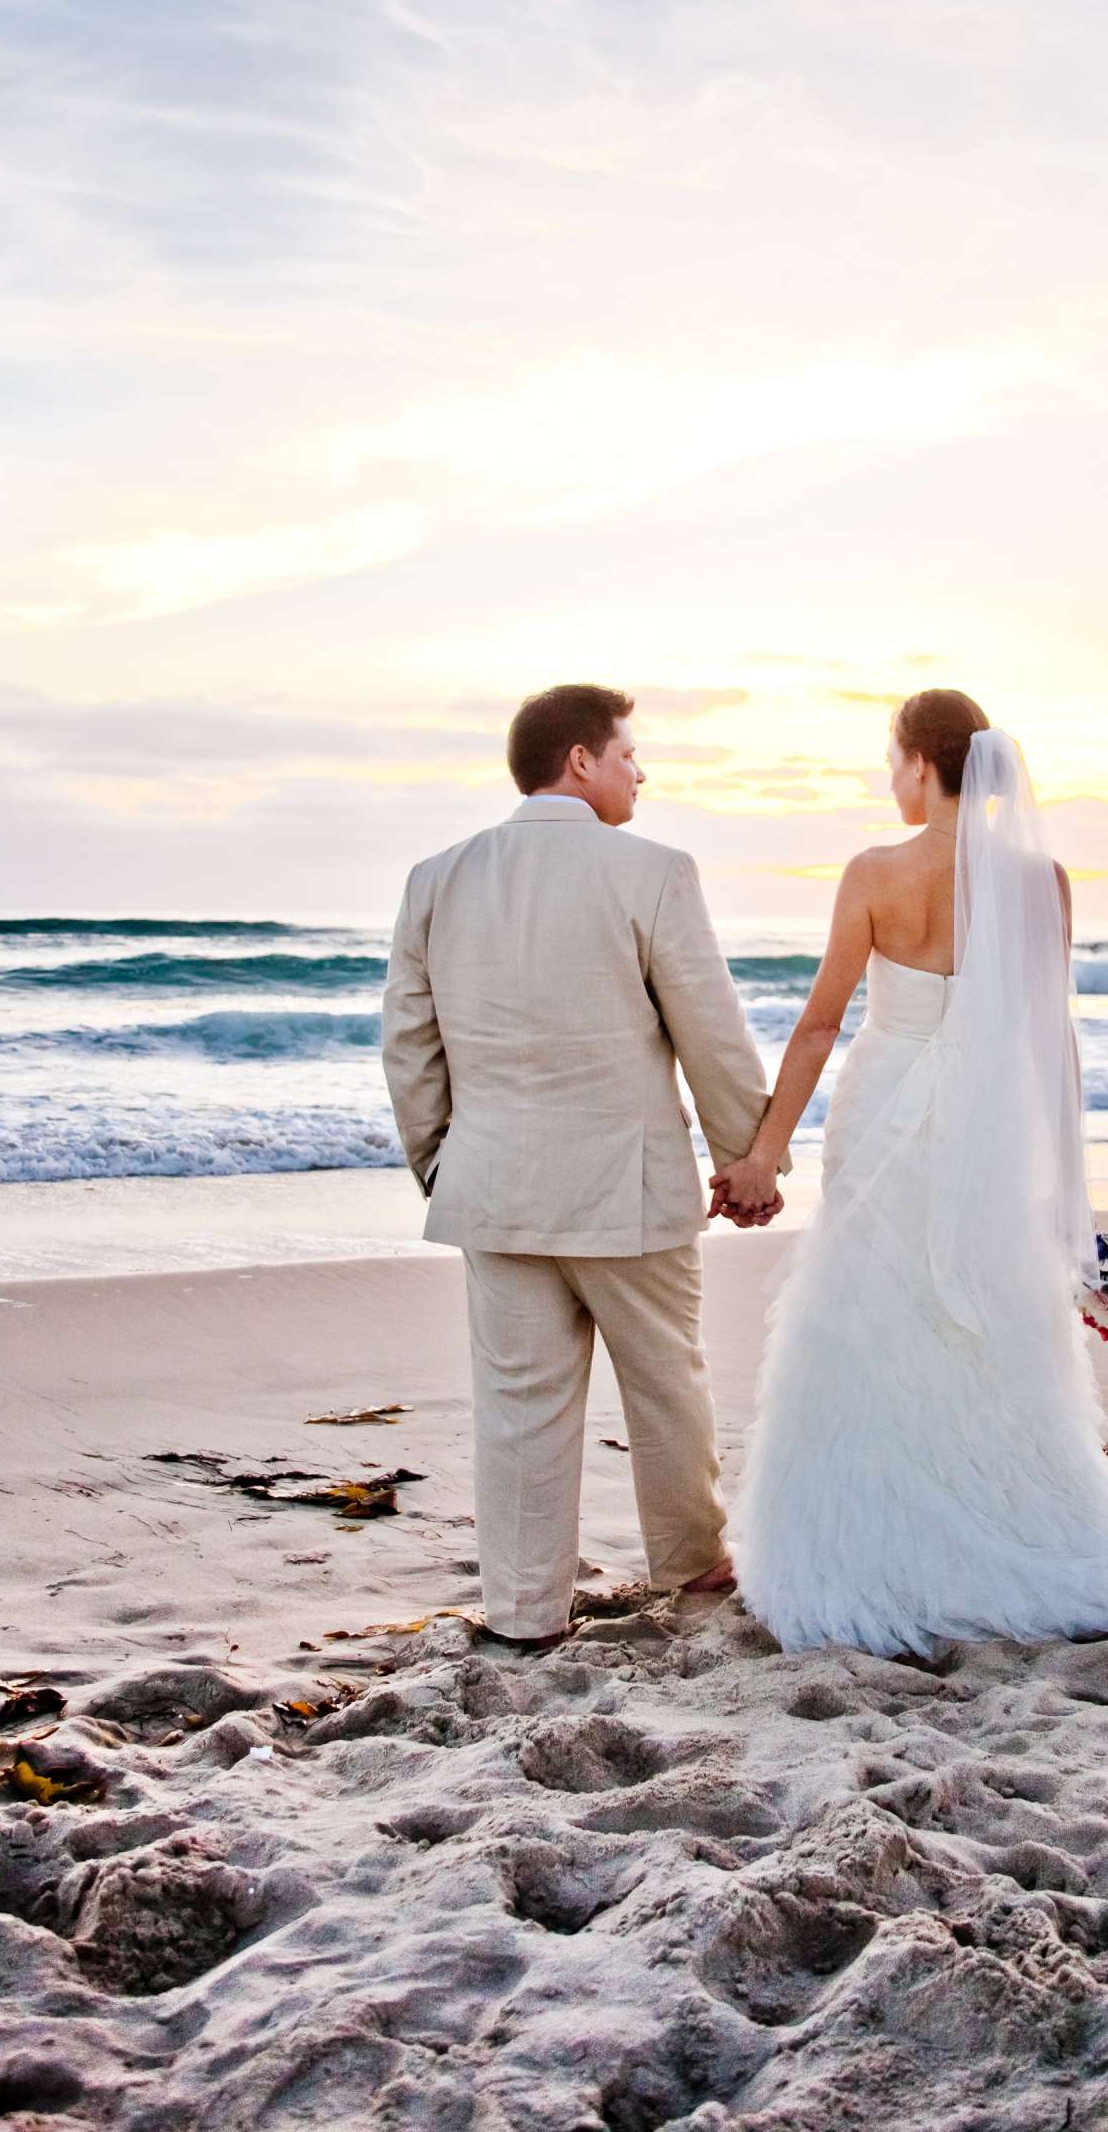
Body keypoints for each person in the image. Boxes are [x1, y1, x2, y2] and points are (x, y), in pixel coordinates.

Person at [713, 688, 1108, 1658]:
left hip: (884, 1112)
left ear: (923, 764)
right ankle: (1008, 1515)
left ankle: (864, 1542)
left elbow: (820, 1022)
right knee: (982, 1312)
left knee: (869, 1308)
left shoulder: (875, 872)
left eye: (892, 761)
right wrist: (1063, 1183)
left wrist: (763, 1154)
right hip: (989, 1127)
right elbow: (1053, 1042)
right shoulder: (1041, 878)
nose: (889, 780)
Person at [382, 683, 786, 1651]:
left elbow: (408, 1043)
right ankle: (690, 1564)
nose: (639, 771)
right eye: (627, 755)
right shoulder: (651, 871)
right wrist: (747, 1159)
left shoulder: (435, 877)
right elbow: (710, 1031)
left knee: (520, 1406)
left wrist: (442, 1163)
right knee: (665, 1386)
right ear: (579, 761)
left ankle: (525, 1612)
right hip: (625, 1188)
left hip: (491, 1189)